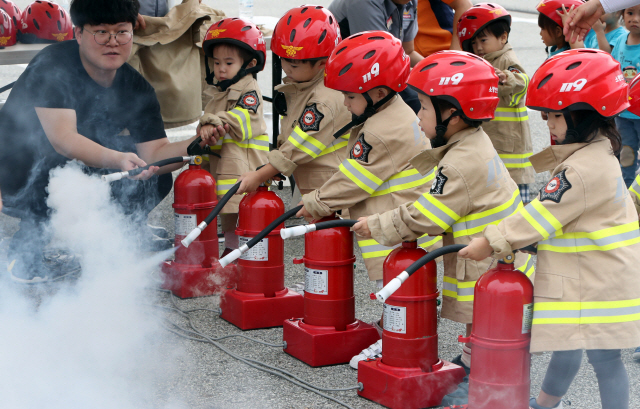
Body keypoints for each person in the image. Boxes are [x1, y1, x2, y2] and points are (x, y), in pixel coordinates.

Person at [350, 50, 534, 405]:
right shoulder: (471, 143)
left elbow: (426, 217)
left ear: (452, 112)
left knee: (485, 326)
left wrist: (377, 225)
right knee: (483, 327)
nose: (418, 118)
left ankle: (483, 384)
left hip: (487, 262)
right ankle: (472, 367)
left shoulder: (461, 162)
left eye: (423, 108)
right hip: (497, 256)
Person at [460, 49, 639, 409]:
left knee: (603, 361)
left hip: (598, 282)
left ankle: (545, 405)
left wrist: (490, 241)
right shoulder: (595, 153)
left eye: (554, 116)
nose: (548, 125)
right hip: (599, 275)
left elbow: (539, 216)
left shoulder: (583, 170)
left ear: (583, 117)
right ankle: (543, 405)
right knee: (570, 346)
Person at [0, 0, 205, 283]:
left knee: (153, 176)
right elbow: (64, 140)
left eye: (122, 32)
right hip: (18, 167)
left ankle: (118, 234)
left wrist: (199, 142)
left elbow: (156, 152)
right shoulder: (54, 65)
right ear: (79, 34)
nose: (113, 42)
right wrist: (119, 159)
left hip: (78, 162)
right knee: (60, 164)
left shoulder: (136, 86)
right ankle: (26, 253)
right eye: (101, 33)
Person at [296, 31, 438, 369]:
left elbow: (353, 181)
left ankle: (394, 344)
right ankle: (393, 332)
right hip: (399, 220)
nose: (345, 103)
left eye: (349, 96)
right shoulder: (390, 113)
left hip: (392, 226)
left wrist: (315, 202)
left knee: (397, 292)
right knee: (398, 291)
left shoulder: (379, 131)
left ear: (377, 92)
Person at [237, 6, 350, 197]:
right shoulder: (305, 84)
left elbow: (298, 144)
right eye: (284, 59)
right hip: (317, 183)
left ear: (323, 62)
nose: (286, 68)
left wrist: (260, 175)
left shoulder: (325, 99)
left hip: (332, 188)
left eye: (295, 64)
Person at [196, 18, 268, 257]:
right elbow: (209, 124)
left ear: (250, 63)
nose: (221, 69)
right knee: (226, 209)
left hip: (244, 166)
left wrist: (215, 122)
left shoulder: (249, 90)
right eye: (216, 63)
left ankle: (245, 251)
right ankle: (230, 247)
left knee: (241, 209)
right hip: (224, 164)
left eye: (229, 62)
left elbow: (244, 118)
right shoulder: (218, 92)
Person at [457, 3, 535, 203]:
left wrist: (506, 77)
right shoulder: (481, 62)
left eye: (483, 40)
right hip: (494, 146)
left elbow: (522, 81)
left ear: (503, 38)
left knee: (514, 203)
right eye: (473, 43)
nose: (478, 47)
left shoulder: (506, 60)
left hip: (511, 155)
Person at [328, 0, 424, 112]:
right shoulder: (364, 3)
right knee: (419, 99)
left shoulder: (410, 2)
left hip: (373, 70)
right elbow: (382, 65)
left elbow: (408, 51)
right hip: (341, 79)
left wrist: (437, 72)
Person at [607, 5, 640, 186]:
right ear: (622, 14)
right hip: (623, 113)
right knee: (626, 152)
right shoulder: (620, 40)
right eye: (630, 13)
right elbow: (612, 70)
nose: (634, 18)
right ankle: (627, 189)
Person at [563, 0, 640, 42]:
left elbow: (608, 57)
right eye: (630, 13)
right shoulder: (622, 39)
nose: (635, 19)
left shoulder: (619, 35)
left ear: (618, 12)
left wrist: (599, 32)